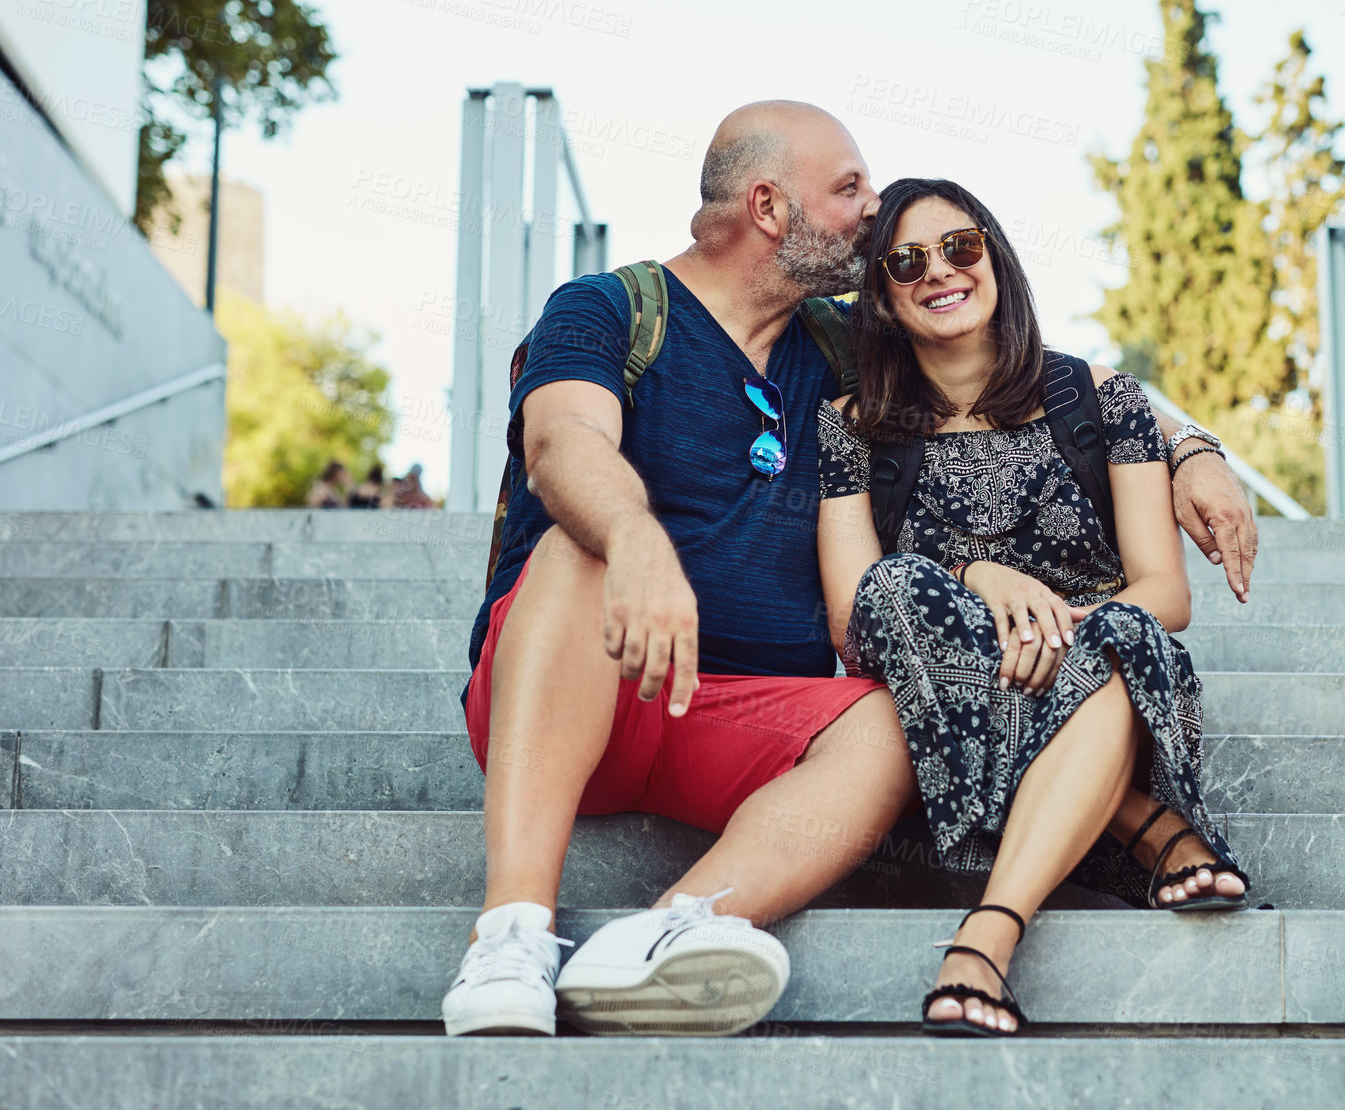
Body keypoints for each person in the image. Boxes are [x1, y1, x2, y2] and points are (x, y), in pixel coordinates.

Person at [442, 103, 1262, 1040]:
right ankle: (510, 934)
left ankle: (672, 934)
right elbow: (563, 440)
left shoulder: (836, 343)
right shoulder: (612, 309)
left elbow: (1025, 367)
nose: (876, 213)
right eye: (850, 189)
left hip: (743, 717)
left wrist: (1193, 447)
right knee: (578, 548)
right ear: (769, 206)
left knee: (884, 720)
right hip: (577, 681)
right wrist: (633, 537)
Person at [815, 178, 1250, 1038]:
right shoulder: (850, 425)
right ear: (882, 296)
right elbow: (853, 620)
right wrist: (978, 576)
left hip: (1102, 666)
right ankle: (1143, 823)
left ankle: (987, 936)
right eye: (907, 261)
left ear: (996, 258)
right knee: (897, 589)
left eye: (961, 247)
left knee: (1126, 629)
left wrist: (1055, 630)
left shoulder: (1107, 402)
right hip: (947, 678)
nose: (940, 271)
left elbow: (1164, 593)